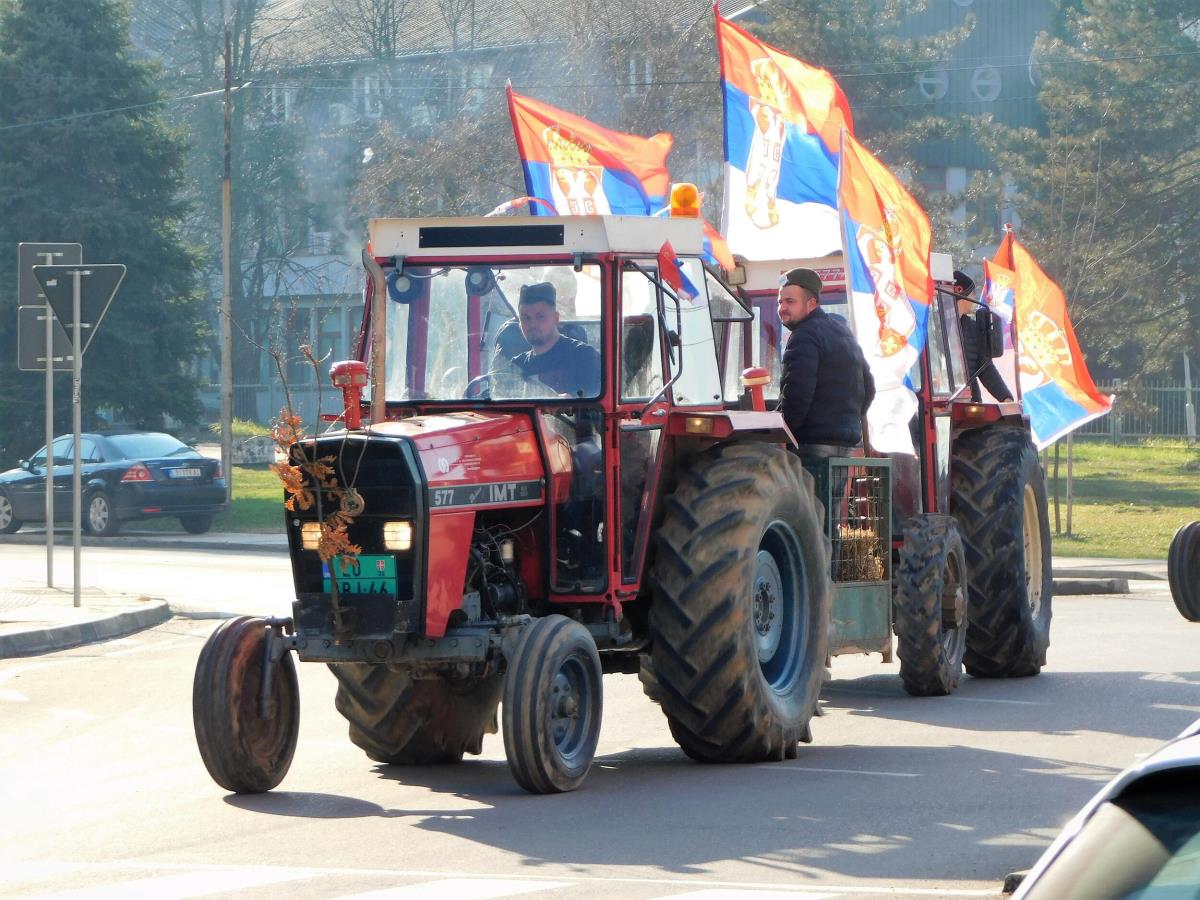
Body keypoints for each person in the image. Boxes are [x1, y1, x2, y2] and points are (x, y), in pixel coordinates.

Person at [777, 267, 875, 464]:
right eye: (780, 302)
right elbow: (869, 387)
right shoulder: (842, 332)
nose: (782, 308)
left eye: (790, 302)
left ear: (811, 303)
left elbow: (798, 393)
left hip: (812, 443)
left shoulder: (805, 335)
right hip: (845, 444)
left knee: (804, 494)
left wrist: (781, 433)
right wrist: (847, 422)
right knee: (830, 496)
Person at [511, 281, 601, 398]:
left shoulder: (584, 357)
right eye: (526, 318)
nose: (532, 324)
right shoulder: (517, 366)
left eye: (540, 316)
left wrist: (566, 402)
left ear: (556, 318)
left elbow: (593, 407)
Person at [953, 270, 1014, 402]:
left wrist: (1005, 397)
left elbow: (985, 367)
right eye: (972, 293)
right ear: (962, 293)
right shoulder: (932, 328)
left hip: (970, 401)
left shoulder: (972, 328)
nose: (974, 298)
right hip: (940, 400)